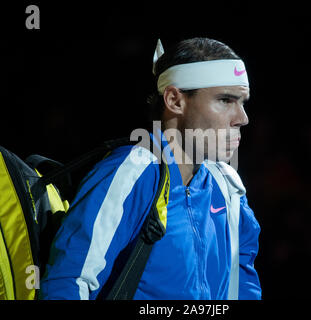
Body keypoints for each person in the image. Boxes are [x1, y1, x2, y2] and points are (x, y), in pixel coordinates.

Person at [40, 37, 261, 300]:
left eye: (243, 102)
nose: (242, 118)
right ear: (174, 101)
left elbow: (243, 285)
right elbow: (68, 282)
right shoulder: (132, 171)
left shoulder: (228, 187)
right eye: (226, 100)